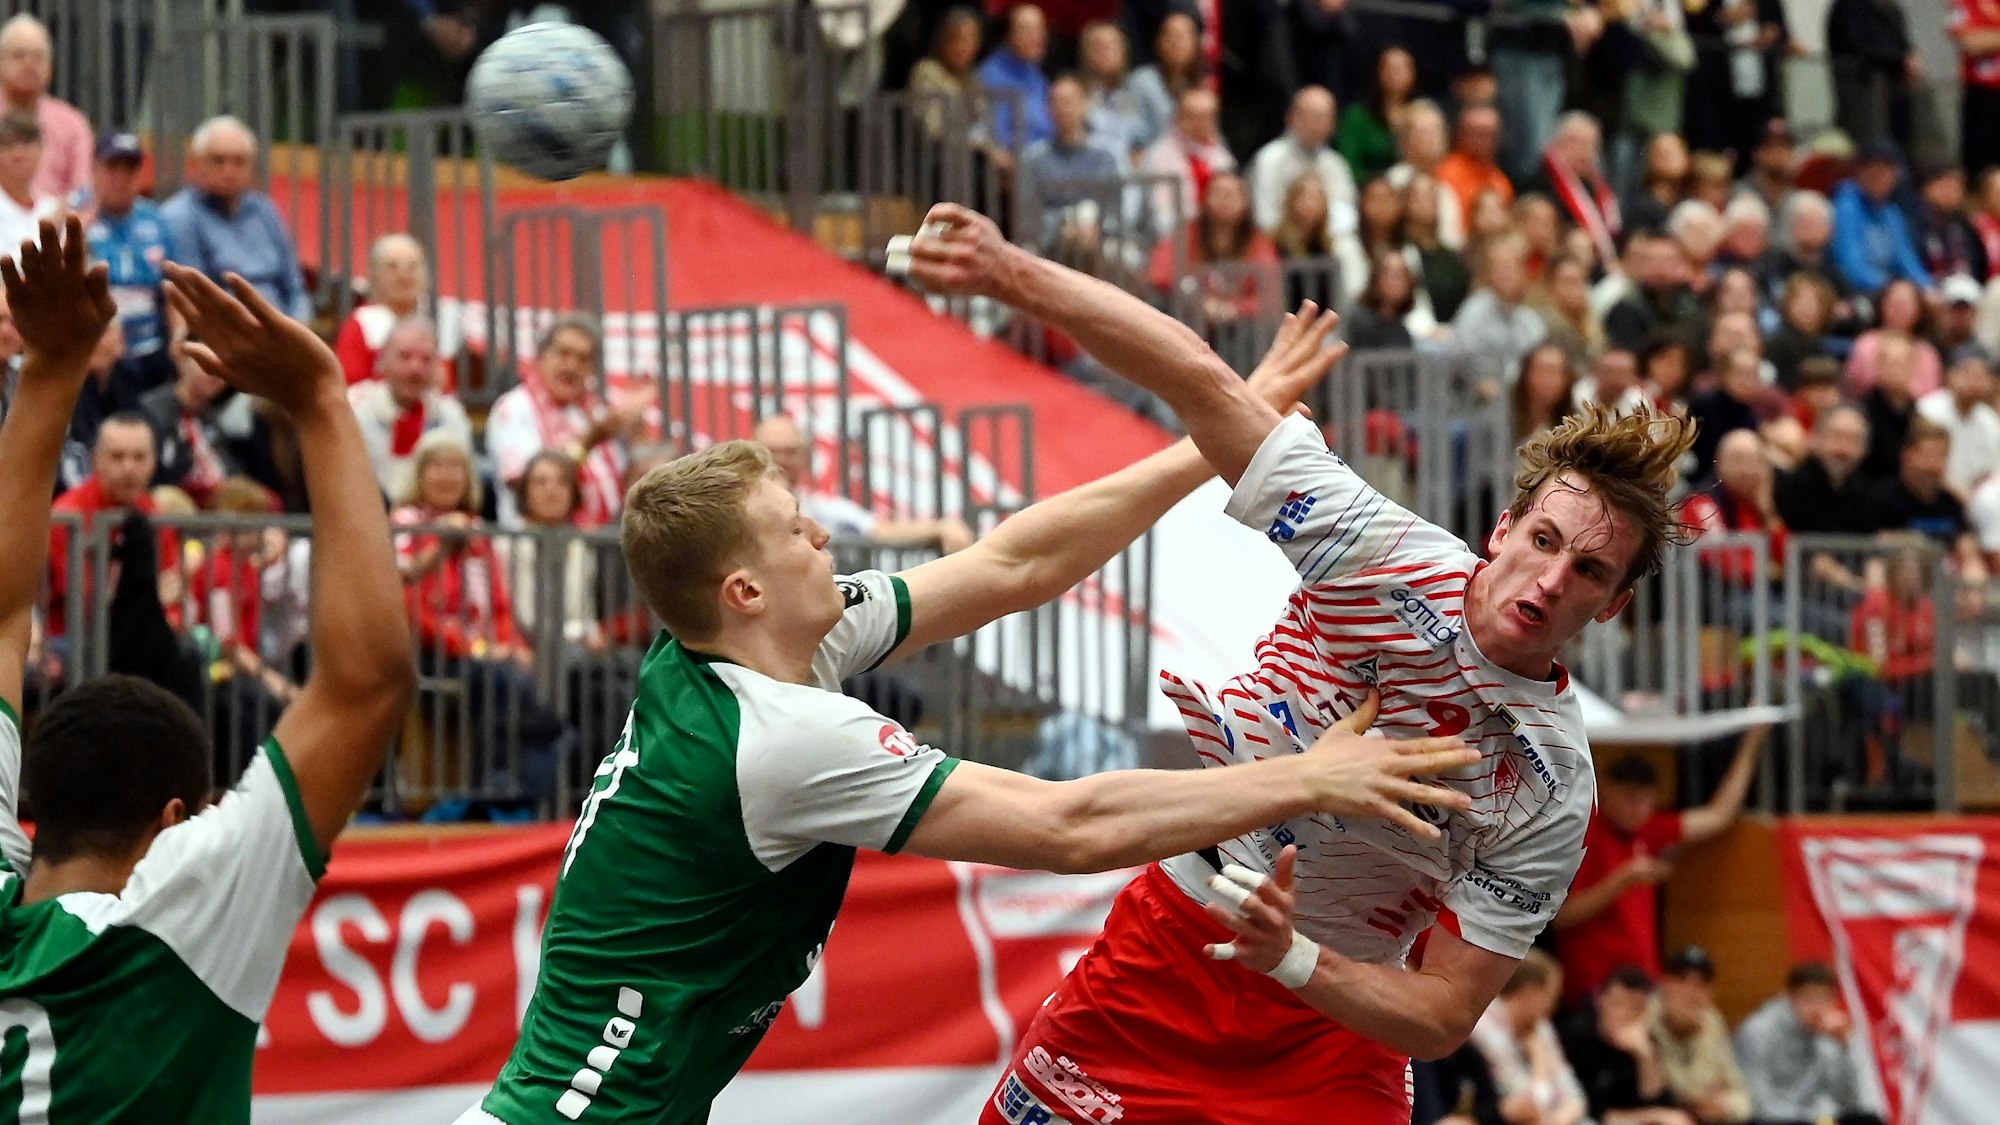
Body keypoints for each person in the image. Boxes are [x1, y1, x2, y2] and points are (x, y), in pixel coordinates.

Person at [457, 291, 1481, 1125]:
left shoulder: (761, 648)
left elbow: (1013, 561)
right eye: (794, 529)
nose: (824, 536)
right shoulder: (782, 740)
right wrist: (1305, 778)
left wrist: (1220, 441)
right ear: (745, 592)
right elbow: (1066, 827)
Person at [897, 204, 1697, 1124]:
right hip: (1173, 947)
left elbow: (1441, 1015)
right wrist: (1010, 272)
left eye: (1588, 570)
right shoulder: (1376, 548)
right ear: (1503, 528)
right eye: (1545, 539)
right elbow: (1201, 381)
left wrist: (1290, 956)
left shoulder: (1553, 783)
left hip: (1330, 1032)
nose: (1551, 579)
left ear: (1616, 602)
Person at [0, 219, 411, 1118]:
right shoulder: (177, 924)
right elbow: (368, 681)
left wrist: (49, 369)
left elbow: (1, 617)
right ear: (175, 820)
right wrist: (321, 402)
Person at [1552, 729, 1765, 1008]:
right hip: (1597, 991)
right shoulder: (1585, 835)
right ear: (1605, 790)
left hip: (1646, 987)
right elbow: (1560, 918)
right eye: (1630, 798)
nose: (1640, 809)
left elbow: (1719, 815)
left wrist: (1750, 744)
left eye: (1647, 800)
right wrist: (1623, 879)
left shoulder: (1649, 831)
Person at [485, 314, 639, 529]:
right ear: (541, 356)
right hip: (536, 545)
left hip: (599, 546)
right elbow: (529, 481)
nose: (572, 366)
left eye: (583, 359)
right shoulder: (514, 408)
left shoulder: (594, 411)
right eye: (563, 353)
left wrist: (639, 435)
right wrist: (589, 440)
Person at [160, 116, 314, 323]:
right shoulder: (178, 216)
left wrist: (298, 327)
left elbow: (295, 288)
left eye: (239, 161)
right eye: (218, 160)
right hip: (226, 336)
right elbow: (194, 299)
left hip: (283, 330)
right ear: (195, 163)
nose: (229, 171)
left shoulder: (265, 210)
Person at [752, 413, 975, 551]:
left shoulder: (825, 509)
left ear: (805, 456)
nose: (780, 460)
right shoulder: (735, 508)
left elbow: (879, 530)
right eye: (771, 451)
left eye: (790, 451)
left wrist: (942, 527)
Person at [1734, 962, 1884, 1125]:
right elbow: (1757, 1102)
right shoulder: (1758, 1031)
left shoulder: (1829, 1033)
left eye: (1824, 999)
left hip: (1817, 1118)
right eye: (1808, 999)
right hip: (1774, 1118)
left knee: (1869, 1120)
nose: (1817, 1008)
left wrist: (1845, 1047)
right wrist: (1812, 1120)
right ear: (1790, 998)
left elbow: (1848, 1100)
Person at [83, 131, 177, 389]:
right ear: (94, 170)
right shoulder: (73, 215)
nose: (121, 178)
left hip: (152, 345)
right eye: (112, 167)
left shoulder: (155, 219)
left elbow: (173, 290)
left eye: (130, 169)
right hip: (96, 347)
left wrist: (179, 338)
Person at [346, 315, 474, 502]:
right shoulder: (354, 408)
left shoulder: (451, 415)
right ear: (381, 361)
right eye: (405, 356)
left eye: (426, 359)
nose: (415, 368)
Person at [1559, 967, 1697, 1125]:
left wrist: (1645, 1057)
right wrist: (1652, 1116)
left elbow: (1660, 1103)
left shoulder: (1646, 1039)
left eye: (1635, 1008)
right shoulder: (1577, 1035)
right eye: (1618, 1004)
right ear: (1600, 1000)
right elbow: (1588, 1109)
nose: (1624, 1014)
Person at [1469, 951, 1591, 1125]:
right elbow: (1531, 1104)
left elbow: (1575, 1096)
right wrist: (1539, 1058)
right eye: (1552, 997)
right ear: (1530, 992)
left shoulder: (1540, 1027)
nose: (1555, 1007)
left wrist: (1563, 1118)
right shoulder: (1485, 1028)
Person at [1648, 947, 1752, 1125]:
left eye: (1701, 985)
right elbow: (1665, 1092)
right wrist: (1702, 1094)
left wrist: (1724, 1106)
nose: (1691, 993)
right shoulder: (1647, 1021)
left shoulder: (1712, 1020)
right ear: (1665, 985)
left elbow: (1743, 1098)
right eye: (1682, 980)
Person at [1248, 85, 1359, 240]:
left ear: (1333, 124)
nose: (1316, 124)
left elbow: (1346, 215)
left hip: (1325, 243)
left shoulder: (1336, 164)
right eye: (1310, 115)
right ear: (1291, 117)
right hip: (1279, 242)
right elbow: (1264, 216)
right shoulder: (1270, 158)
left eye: (1323, 117)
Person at [0, 15, 88, 200]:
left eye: (38, 56)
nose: (29, 64)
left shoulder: (72, 125)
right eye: (18, 55)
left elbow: (83, 194)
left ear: (50, 68)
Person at [332, 232, 437, 387]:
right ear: (374, 276)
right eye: (392, 267)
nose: (403, 275)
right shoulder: (360, 325)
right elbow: (350, 388)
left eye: (412, 266)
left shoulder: (439, 320)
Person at [1829, 145, 1934, 297]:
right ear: (1860, 172)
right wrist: (1892, 287)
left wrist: (1927, 288)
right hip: (1851, 292)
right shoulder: (1846, 205)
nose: (1880, 177)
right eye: (1874, 170)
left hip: (1889, 290)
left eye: (1887, 171)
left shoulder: (1891, 213)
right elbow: (1850, 266)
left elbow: (1907, 260)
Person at [1916, 343, 2000, 497]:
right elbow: (1923, 464)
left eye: (1982, 375)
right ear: (1950, 374)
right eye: (1968, 373)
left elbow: (1990, 473)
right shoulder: (1928, 409)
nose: (1975, 382)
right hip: (1931, 494)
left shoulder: (1990, 421)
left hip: (1975, 498)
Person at [979, 4, 1053, 153]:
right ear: (1009, 34)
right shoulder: (992, 75)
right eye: (1027, 30)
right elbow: (996, 137)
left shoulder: (1036, 74)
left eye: (1040, 29)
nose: (1037, 37)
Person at [1437, 103, 1513, 219]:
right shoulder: (1446, 172)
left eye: (1490, 134)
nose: (1484, 140)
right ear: (1461, 135)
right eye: (1477, 133)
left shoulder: (1501, 182)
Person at [0, 111, 55, 264]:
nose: (18, 154)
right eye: (8, 145)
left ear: (41, 150)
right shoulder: (57, 216)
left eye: (27, 145)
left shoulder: (53, 207)